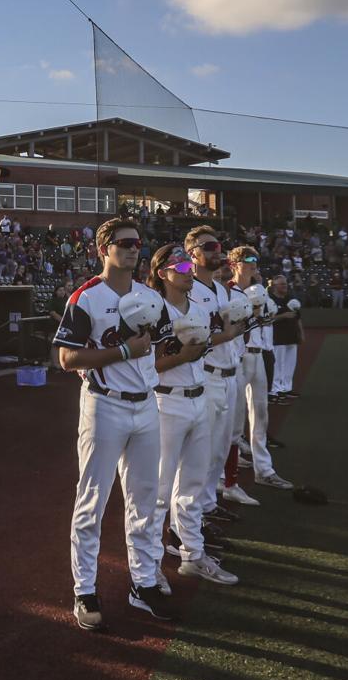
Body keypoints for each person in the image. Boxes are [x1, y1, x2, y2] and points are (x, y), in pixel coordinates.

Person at [54, 217, 174, 631]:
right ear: (103, 248)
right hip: (104, 406)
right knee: (93, 500)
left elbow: (163, 343)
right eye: (123, 243)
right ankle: (84, 588)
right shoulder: (86, 297)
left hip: (146, 406)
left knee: (144, 500)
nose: (132, 248)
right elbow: (66, 359)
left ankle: (142, 583)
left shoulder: (147, 296)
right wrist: (123, 350)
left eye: (137, 243)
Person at [147, 243, 237, 586]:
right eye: (180, 268)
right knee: (158, 491)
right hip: (167, 403)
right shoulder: (153, 310)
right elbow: (147, 368)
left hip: (198, 397)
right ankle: (150, 568)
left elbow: (205, 349)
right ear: (163, 274)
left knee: (193, 485)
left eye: (189, 267)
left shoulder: (197, 308)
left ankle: (193, 555)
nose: (188, 272)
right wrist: (184, 356)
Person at [184, 226, 246, 529]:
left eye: (218, 246)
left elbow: (229, 330)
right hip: (205, 376)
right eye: (208, 247)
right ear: (192, 253)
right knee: (201, 451)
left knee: (220, 448)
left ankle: (208, 504)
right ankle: (192, 517)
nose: (216, 252)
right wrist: (227, 333)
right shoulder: (187, 287)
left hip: (229, 374)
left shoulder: (221, 289)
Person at [228, 248, 293, 492]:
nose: (254, 264)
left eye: (256, 260)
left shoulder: (261, 292)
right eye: (249, 260)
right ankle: (229, 475)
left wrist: (264, 315)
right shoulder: (229, 291)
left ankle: (264, 469)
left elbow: (264, 321)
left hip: (257, 355)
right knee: (234, 420)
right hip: (239, 357)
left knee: (260, 414)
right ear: (235, 263)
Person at [269, 275, 304, 402]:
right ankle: (276, 390)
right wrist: (283, 315)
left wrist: (301, 333)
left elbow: (297, 317)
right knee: (278, 365)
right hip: (278, 337)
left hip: (291, 336)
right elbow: (268, 319)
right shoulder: (270, 300)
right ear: (274, 286)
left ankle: (286, 388)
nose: (285, 286)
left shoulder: (291, 298)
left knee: (290, 365)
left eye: (285, 284)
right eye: (281, 284)